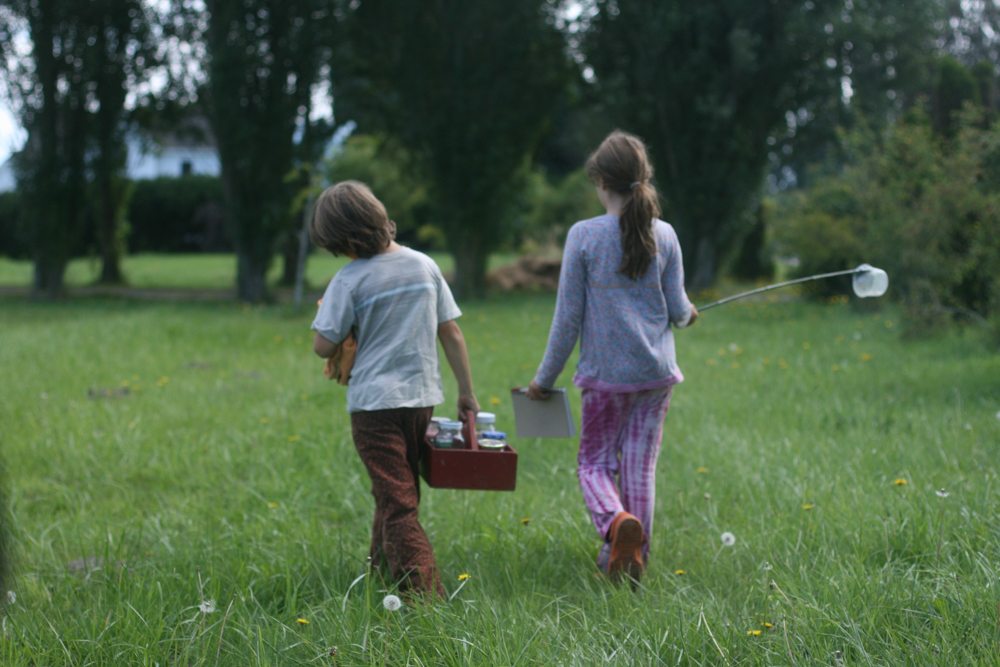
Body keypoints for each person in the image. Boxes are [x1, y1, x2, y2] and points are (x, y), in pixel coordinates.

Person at [526, 130, 698, 585]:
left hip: (605, 379)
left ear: (601, 180)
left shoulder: (584, 236)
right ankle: (633, 558)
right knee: (641, 466)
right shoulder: (666, 234)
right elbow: (679, 311)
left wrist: (543, 381)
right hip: (656, 375)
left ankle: (614, 525)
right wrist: (689, 314)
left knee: (594, 464)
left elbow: (567, 320)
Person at [310, 180, 479, 597]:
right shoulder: (424, 265)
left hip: (374, 408)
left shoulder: (348, 280)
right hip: (420, 400)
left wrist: (338, 324)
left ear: (345, 239)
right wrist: (466, 392)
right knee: (397, 492)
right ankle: (380, 575)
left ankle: (426, 598)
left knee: (399, 501)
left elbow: (322, 346)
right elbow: (451, 332)